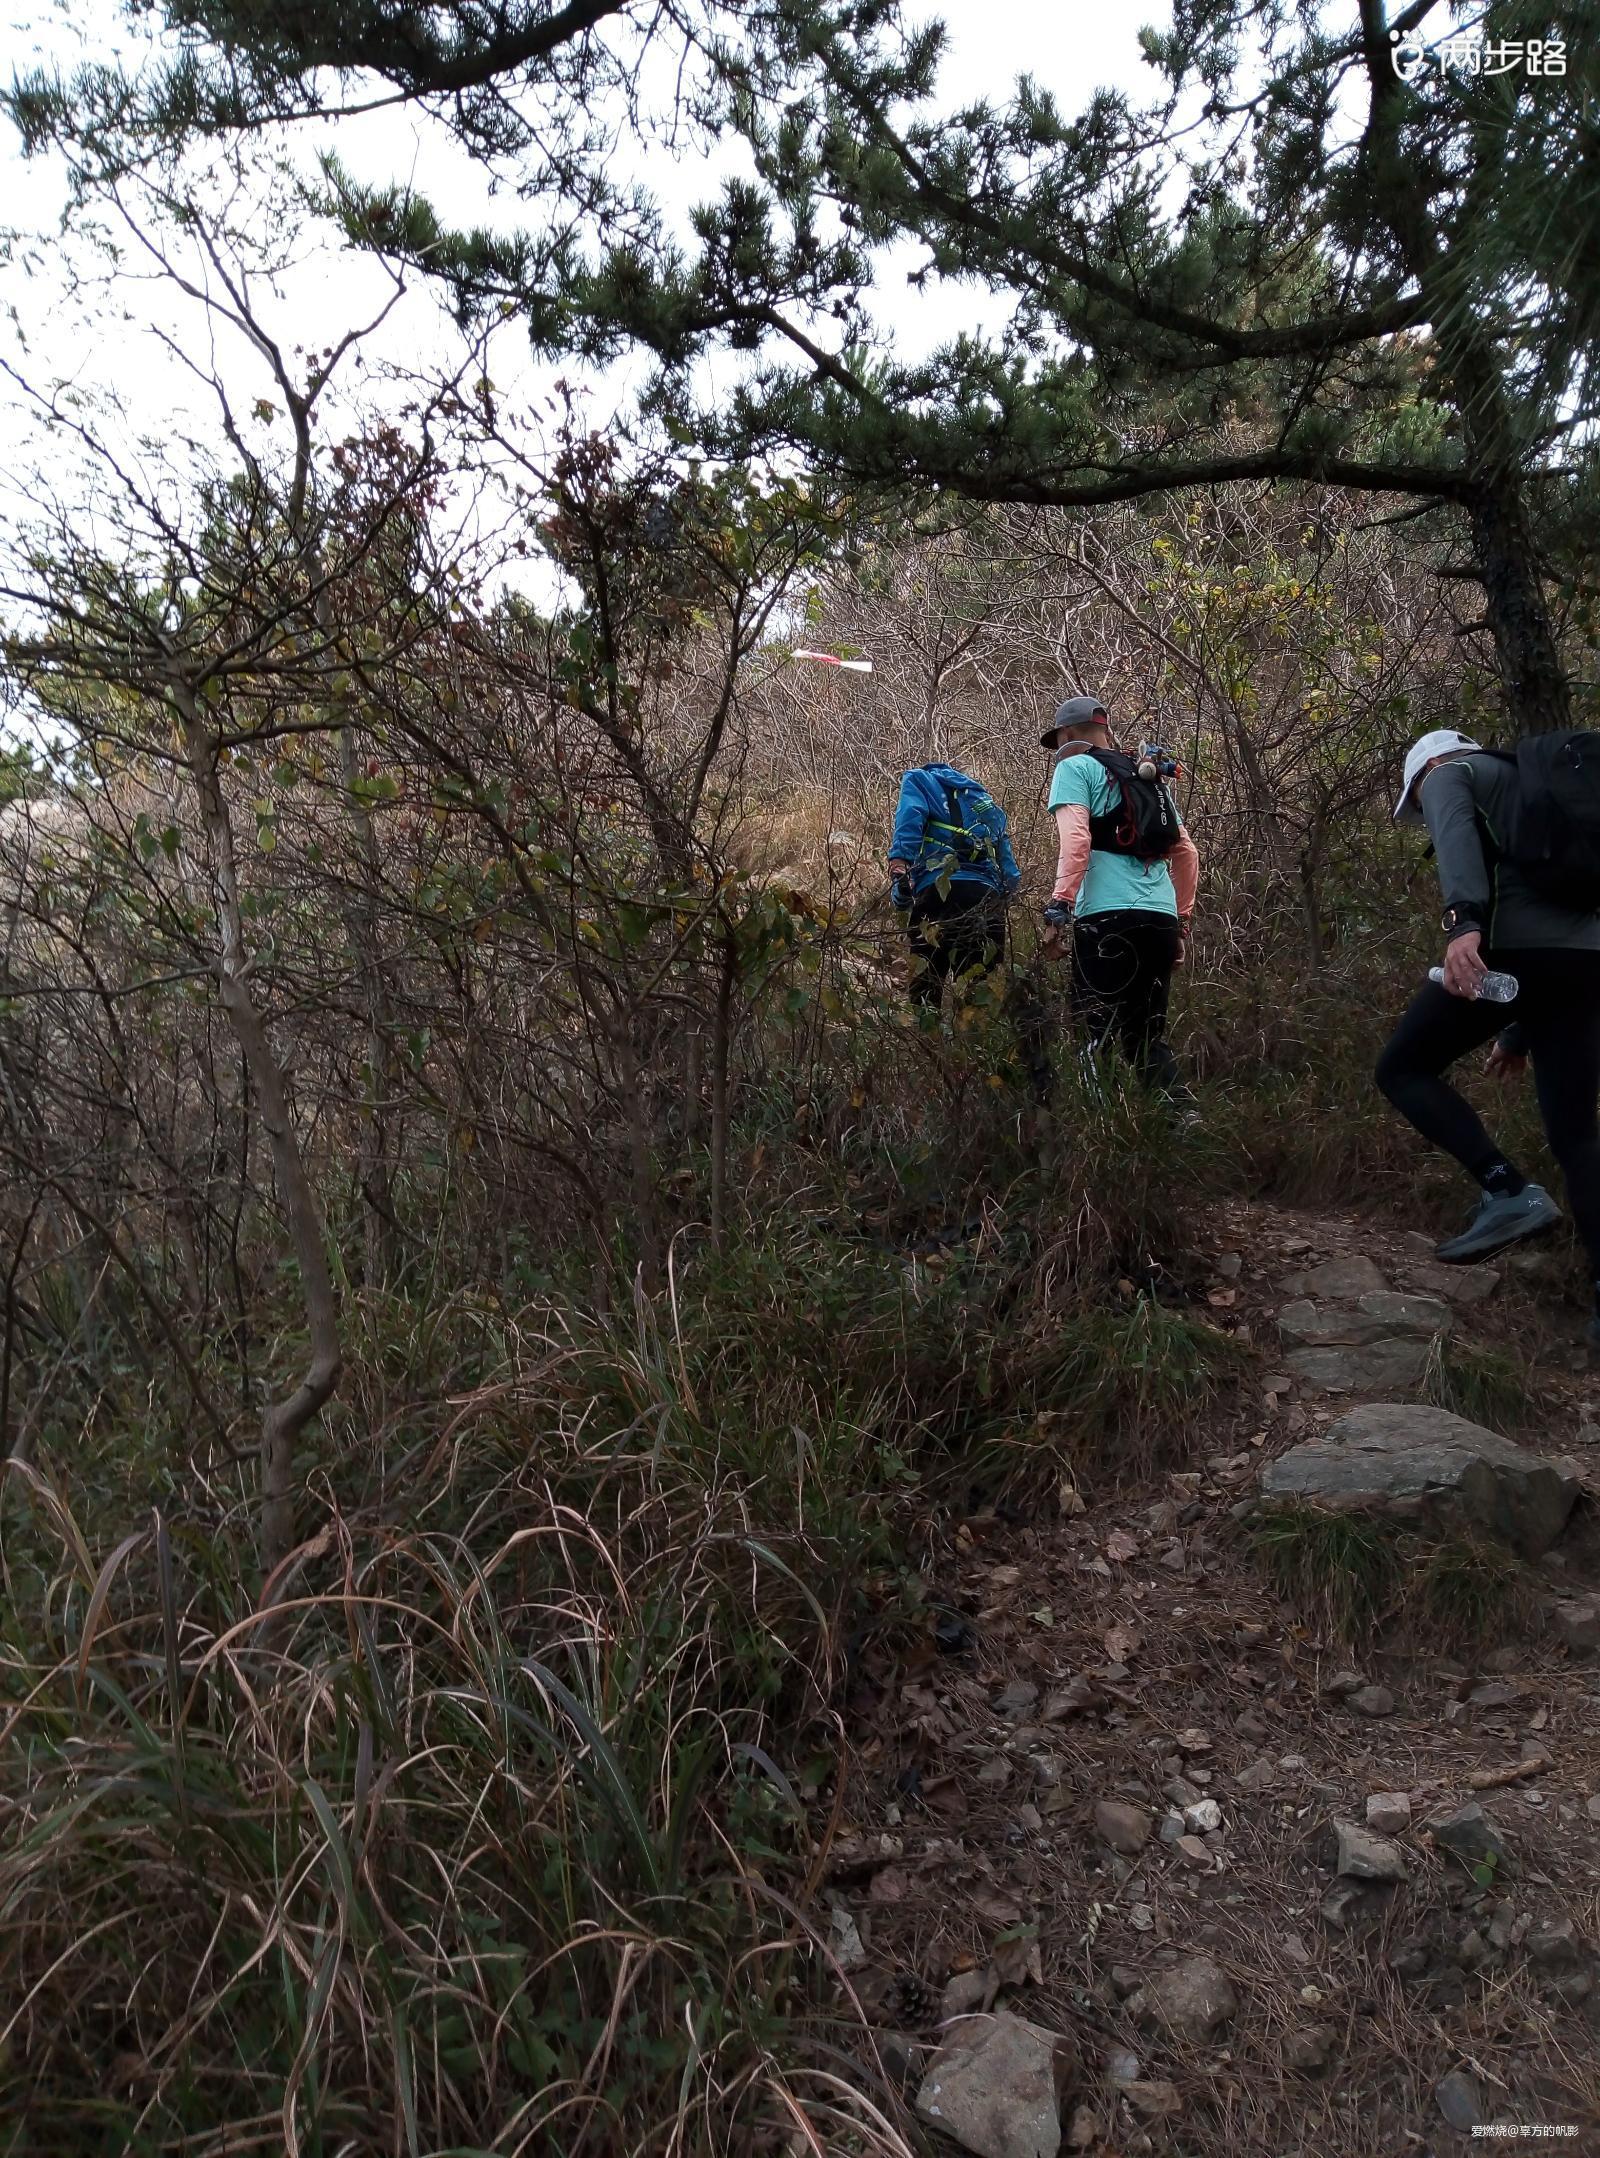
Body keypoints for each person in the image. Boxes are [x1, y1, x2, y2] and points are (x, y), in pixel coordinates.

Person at [1376, 728, 1600, 1318]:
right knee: (1577, 1138)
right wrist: (1518, 1033)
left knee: (1402, 1068)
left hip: (1510, 953)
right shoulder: (1530, 785)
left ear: (1427, 772)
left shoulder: (1451, 773)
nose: (1425, 814)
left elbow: (1457, 843)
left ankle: (1506, 1189)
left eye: (1418, 805)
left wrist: (1462, 924)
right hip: (1582, 962)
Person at [1039, 694, 1199, 1096]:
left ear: (1068, 734)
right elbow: (1187, 853)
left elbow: (1076, 841)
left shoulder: (1074, 767)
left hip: (1107, 918)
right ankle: (1181, 1119)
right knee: (1147, 1036)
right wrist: (1180, 924)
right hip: (1161, 919)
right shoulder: (1146, 777)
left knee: (1095, 1033)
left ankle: (1101, 1133)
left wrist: (1059, 908)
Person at [888, 759, 1022, 1010]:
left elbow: (910, 819)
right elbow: (1006, 858)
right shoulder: (980, 797)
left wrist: (900, 868)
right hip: (985, 896)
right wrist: (1005, 892)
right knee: (979, 993)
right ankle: (974, 1042)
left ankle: (928, 1043)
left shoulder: (918, 779)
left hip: (938, 893)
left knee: (925, 990)